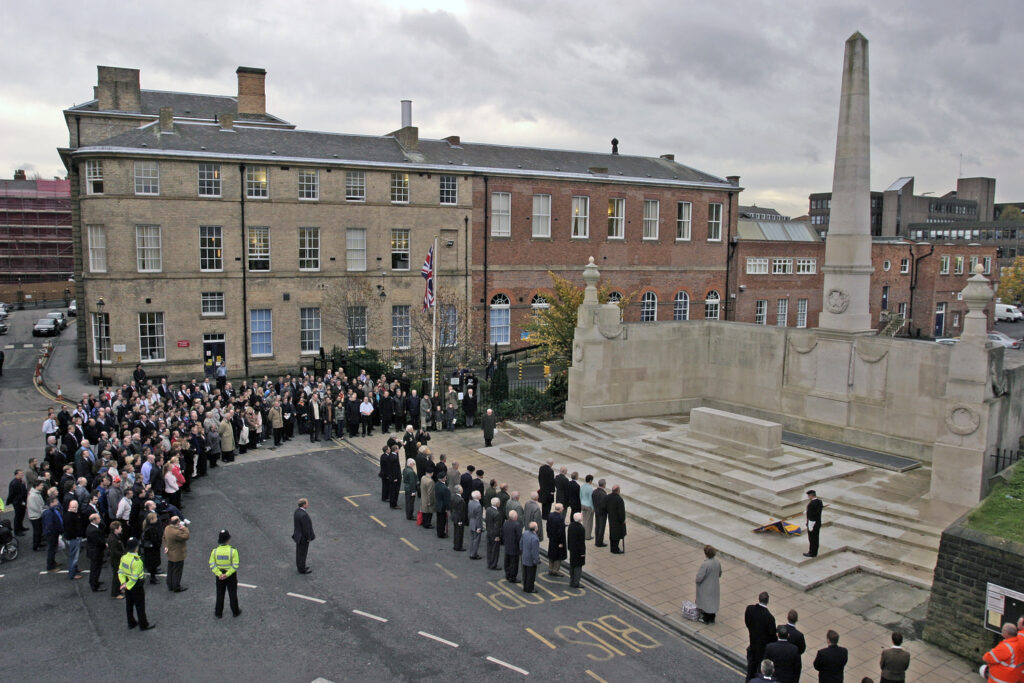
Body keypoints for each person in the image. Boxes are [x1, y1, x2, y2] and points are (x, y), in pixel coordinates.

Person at [118, 537, 154, 630]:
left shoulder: (124, 558)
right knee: (140, 605)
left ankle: (131, 622)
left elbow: (120, 571)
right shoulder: (137, 561)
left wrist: (123, 583)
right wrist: (128, 585)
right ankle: (143, 624)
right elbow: (135, 577)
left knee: (129, 605)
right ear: (136, 547)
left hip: (127, 584)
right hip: (136, 585)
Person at [745, 591, 778, 681]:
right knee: (760, 670)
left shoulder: (750, 609)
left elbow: (747, 622)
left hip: (752, 642)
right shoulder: (769, 618)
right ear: (768, 601)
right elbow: (772, 636)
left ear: (759, 599)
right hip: (762, 647)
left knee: (751, 668)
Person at [209, 529, 241, 618]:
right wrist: (227, 574)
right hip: (230, 575)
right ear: (228, 539)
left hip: (219, 575)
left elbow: (212, 564)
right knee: (232, 593)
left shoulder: (214, 551)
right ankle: (235, 611)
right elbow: (235, 564)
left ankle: (218, 612)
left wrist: (219, 574)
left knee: (220, 593)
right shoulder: (233, 551)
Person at [162, 515, 190, 593]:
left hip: (170, 553)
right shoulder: (176, 532)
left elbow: (163, 538)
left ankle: (170, 584)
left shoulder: (167, 528)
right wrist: (185, 529)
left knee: (170, 569)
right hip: (178, 554)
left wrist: (165, 546)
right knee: (177, 571)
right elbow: (186, 536)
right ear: (177, 522)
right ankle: (176, 586)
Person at [695, 545, 722, 624]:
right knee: (713, 601)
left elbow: (700, 577)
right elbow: (720, 573)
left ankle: (705, 618)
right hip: (715, 585)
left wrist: (697, 581)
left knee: (706, 602)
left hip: (706, 586)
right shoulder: (717, 562)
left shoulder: (705, 564)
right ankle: (712, 617)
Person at [85, 513, 107, 592]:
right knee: (95, 569)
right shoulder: (94, 531)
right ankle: (94, 585)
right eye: (98, 518)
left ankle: (94, 582)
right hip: (95, 552)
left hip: (93, 551)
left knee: (95, 568)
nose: (100, 519)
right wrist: (105, 545)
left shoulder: (91, 527)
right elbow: (99, 542)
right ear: (94, 520)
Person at [292, 498, 315, 574]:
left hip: (298, 536)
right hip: (303, 538)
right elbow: (306, 528)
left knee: (299, 553)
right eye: (307, 503)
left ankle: (300, 566)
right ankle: (302, 569)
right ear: (304, 505)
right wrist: (308, 538)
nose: (308, 504)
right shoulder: (304, 515)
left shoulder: (297, 511)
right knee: (303, 553)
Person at [41, 496, 63, 571]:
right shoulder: (48, 513)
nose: (57, 502)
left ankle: (53, 562)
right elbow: (49, 526)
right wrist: (55, 532)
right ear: (51, 503)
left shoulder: (52, 510)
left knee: (54, 549)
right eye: (56, 501)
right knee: (52, 550)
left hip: (54, 534)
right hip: (51, 535)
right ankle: (50, 567)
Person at [64, 499, 84, 580]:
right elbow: (71, 530)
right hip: (73, 539)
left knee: (75, 555)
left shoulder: (70, 514)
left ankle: (75, 569)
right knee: (74, 557)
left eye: (76, 507)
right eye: (73, 507)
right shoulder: (70, 516)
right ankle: (72, 574)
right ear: (69, 506)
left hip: (74, 538)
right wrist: (77, 535)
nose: (74, 509)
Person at [501, 509, 522, 583]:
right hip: (514, 547)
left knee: (507, 561)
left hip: (507, 545)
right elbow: (519, 537)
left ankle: (507, 574)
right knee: (514, 563)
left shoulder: (505, 523)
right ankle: (513, 577)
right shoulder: (517, 525)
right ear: (515, 517)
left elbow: (503, 533)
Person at [546, 503, 567, 576]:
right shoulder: (561, 518)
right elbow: (560, 532)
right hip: (558, 540)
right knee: (558, 556)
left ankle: (550, 569)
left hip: (552, 538)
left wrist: (549, 535)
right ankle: (555, 570)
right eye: (562, 508)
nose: (563, 509)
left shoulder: (550, 515)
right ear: (560, 509)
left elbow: (547, 526)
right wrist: (561, 542)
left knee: (551, 554)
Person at [567, 512, 586, 588]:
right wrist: (582, 553)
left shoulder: (571, 525)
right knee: (578, 567)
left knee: (572, 565)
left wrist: (569, 547)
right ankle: (576, 582)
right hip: (578, 551)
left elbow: (569, 537)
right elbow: (581, 542)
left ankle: (571, 580)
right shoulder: (581, 528)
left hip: (572, 549)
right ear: (580, 519)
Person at [520, 521, 540, 593]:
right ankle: (530, 588)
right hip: (531, 560)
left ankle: (525, 586)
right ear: (535, 529)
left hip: (524, 557)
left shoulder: (525, 533)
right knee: (531, 575)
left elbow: (521, 544)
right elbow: (535, 552)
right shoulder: (535, 539)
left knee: (525, 574)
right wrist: (536, 560)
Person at [606, 484, 627, 553]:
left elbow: (604, 506)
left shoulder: (608, 497)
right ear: (618, 490)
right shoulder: (619, 499)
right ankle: (615, 549)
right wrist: (623, 520)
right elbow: (621, 512)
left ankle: (612, 548)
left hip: (611, 518)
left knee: (612, 533)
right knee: (617, 535)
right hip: (617, 520)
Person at [7, 469, 28, 535]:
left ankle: (21, 527)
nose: (22, 474)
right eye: (20, 473)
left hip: (22, 501)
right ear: (16, 474)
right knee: (18, 516)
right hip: (17, 502)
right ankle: (17, 531)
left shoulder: (21, 481)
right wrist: (11, 501)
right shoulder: (14, 483)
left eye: (22, 473)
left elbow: (24, 491)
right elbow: (11, 494)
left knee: (22, 515)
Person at [485, 496, 502, 570]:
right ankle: (493, 564)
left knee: (489, 549)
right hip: (494, 534)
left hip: (489, 532)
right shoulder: (497, 514)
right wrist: (497, 536)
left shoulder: (488, 509)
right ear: (497, 504)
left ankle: (489, 562)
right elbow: (497, 527)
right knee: (495, 550)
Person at [804, 489, 823, 558]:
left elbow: (812, 516)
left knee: (812, 539)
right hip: (818, 523)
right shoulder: (819, 501)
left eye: (808, 496)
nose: (808, 497)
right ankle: (814, 552)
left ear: (811, 496)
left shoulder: (812, 504)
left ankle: (812, 553)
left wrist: (810, 525)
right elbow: (817, 511)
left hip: (813, 523)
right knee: (816, 538)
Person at [592, 479, 608, 547]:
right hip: (602, 513)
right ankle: (599, 542)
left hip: (596, 511)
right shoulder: (603, 493)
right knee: (601, 527)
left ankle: (597, 540)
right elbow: (604, 504)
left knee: (597, 526)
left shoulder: (594, 491)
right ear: (604, 484)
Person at [467, 490, 483, 559]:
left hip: (471, 522)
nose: (481, 495)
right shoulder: (478, 506)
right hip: (476, 524)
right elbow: (478, 518)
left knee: (472, 539)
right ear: (477, 497)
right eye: (480, 494)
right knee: (476, 540)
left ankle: (471, 552)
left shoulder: (470, 503)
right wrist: (479, 527)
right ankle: (474, 554)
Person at [450, 485, 466, 551]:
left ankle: (455, 544)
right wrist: (460, 521)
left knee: (456, 532)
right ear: (460, 491)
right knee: (459, 533)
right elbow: (461, 511)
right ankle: (458, 546)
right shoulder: (461, 500)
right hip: (459, 519)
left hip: (454, 516)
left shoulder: (452, 496)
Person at [580, 474, 595, 540]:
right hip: (589, 505)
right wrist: (593, 507)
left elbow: (580, 496)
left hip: (582, 504)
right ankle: (587, 536)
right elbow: (590, 499)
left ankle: (583, 534)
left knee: (584, 520)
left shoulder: (582, 486)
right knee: (589, 521)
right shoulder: (590, 488)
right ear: (590, 480)